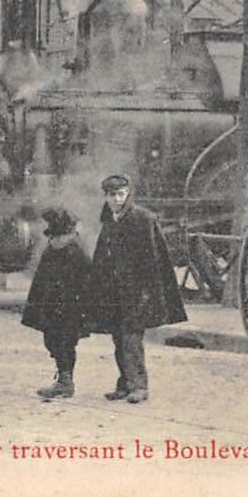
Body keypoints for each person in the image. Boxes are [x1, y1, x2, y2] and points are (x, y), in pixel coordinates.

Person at [87, 173, 186, 404]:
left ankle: (140, 387)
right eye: (113, 195)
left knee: (132, 339)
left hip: (137, 291)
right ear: (106, 197)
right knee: (118, 339)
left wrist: (147, 292)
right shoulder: (109, 219)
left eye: (122, 194)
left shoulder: (142, 219)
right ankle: (124, 384)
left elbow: (152, 259)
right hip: (114, 292)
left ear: (128, 194)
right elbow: (102, 256)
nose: (118, 199)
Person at [22, 207, 91, 399]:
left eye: (58, 237)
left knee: (65, 343)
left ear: (68, 235)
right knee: (52, 341)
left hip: (70, 309)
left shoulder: (77, 253)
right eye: (52, 237)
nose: (53, 241)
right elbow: (41, 280)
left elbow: (85, 283)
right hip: (52, 307)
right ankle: (63, 378)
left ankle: (65, 382)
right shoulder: (51, 250)